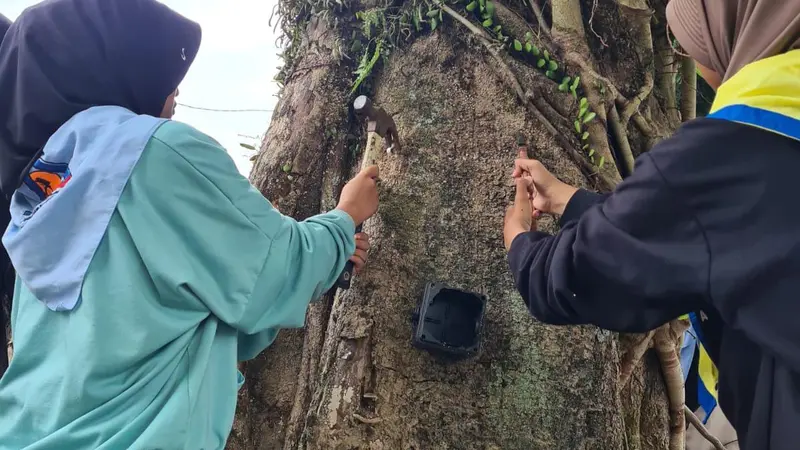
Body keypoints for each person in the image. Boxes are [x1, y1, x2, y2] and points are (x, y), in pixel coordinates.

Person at [0, 0, 377, 448]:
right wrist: (344, 218)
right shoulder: (157, 151)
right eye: (162, 68)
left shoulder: (45, 181)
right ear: (121, 67)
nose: (176, 91)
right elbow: (272, 269)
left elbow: (143, 317)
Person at [503, 0, 800, 449]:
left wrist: (520, 240)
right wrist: (572, 200)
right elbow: (713, 239)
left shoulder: (731, 151)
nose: (693, 61)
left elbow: (578, 276)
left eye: (693, 40)